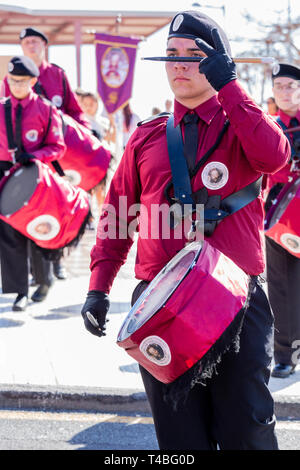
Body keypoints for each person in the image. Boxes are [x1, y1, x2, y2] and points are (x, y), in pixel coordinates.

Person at [81, 10, 289, 450]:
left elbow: (275, 157)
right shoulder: (146, 137)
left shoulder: (246, 127)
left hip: (235, 302)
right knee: (180, 441)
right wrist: (98, 287)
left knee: (248, 431)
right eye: (171, 55)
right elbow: (117, 215)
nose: (178, 65)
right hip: (161, 305)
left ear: (220, 63)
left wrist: (230, 87)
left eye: (194, 56)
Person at [0, 56, 66, 311]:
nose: (17, 85)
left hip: (36, 174)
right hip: (6, 174)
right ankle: (18, 291)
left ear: (33, 81)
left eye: (22, 81)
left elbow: (58, 147)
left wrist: (35, 156)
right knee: (8, 234)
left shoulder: (45, 109)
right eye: (13, 80)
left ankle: (43, 281)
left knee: (38, 230)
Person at [265, 63, 300, 378]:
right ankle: (285, 354)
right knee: (280, 287)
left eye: (290, 85)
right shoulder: (270, 126)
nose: (285, 92)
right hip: (278, 217)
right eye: (279, 87)